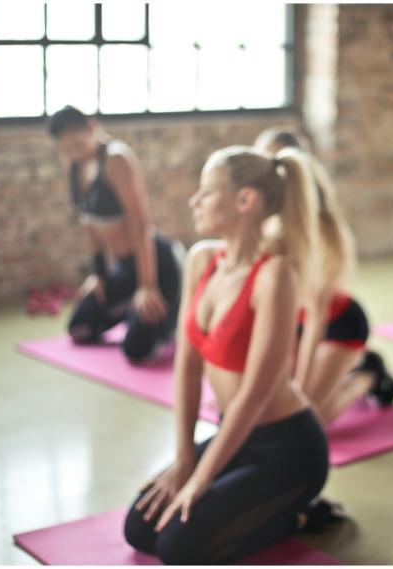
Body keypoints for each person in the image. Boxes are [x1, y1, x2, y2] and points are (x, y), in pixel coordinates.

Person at [122, 146, 329, 563]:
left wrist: (201, 478)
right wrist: (183, 461)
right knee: (140, 529)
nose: (193, 200)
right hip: (234, 437)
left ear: (245, 201)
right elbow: (188, 367)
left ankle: (300, 517)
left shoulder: (275, 276)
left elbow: (254, 395)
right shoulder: (201, 260)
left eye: (206, 191)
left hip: (288, 449)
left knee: (177, 548)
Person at [254, 128, 393, 426]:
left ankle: (367, 374)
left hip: (337, 324)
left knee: (310, 418)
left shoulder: (321, 233)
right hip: (297, 324)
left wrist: (300, 392)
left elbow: (317, 320)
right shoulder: (270, 224)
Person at [48, 106, 183, 363]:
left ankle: (167, 317)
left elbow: (141, 224)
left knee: (136, 351)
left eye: (77, 145)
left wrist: (147, 286)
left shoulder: (116, 158)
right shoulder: (75, 165)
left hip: (156, 263)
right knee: (79, 329)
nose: (74, 153)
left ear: (91, 126)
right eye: (66, 150)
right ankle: (131, 310)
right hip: (121, 268)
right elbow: (88, 221)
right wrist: (98, 273)